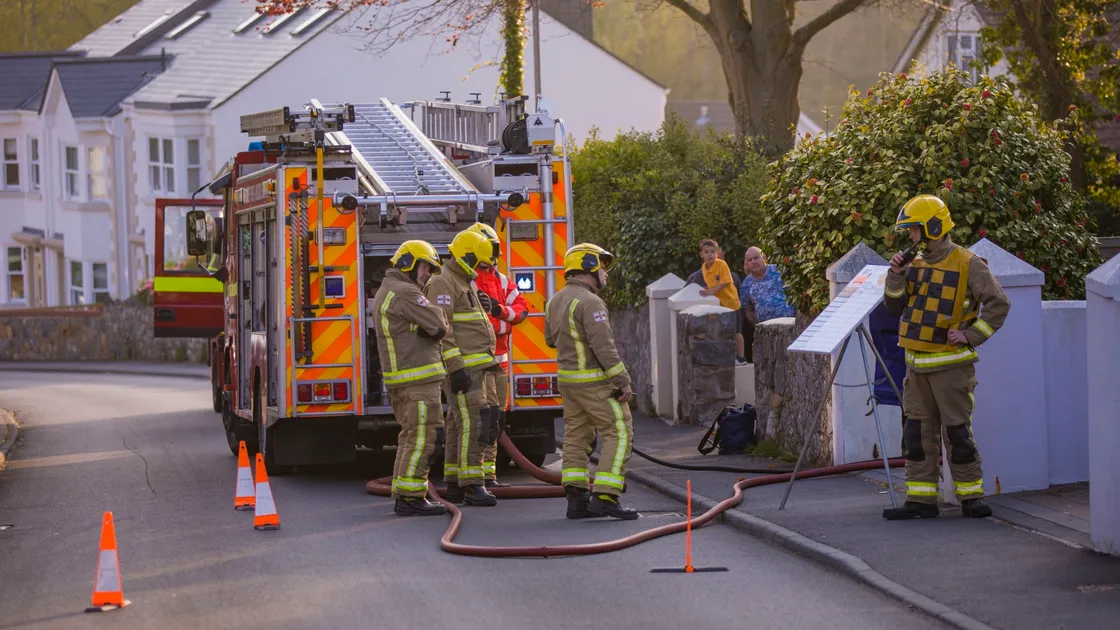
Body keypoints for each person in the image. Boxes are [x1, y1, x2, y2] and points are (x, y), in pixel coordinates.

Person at [882, 194, 1010, 520]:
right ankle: (921, 501)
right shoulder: (912, 264)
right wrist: (895, 274)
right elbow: (894, 307)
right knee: (916, 436)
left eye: (915, 230)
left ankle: (971, 499)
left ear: (934, 227)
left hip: (952, 368)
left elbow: (998, 304)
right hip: (916, 368)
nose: (912, 237)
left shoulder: (968, 263)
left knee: (957, 434)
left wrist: (971, 335)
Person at [545, 243, 638, 520]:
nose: (605, 274)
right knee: (619, 432)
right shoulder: (591, 302)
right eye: (602, 267)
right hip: (594, 383)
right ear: (588, 266)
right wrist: (623, 381)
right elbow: (604, 347)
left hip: (568, 382)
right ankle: (606, 496)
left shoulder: (555, 301)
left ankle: (577, 500)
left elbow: (550, 340)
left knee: (576, 436)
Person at [371, 240, 450, 516]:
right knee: (425, 437)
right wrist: (435, 318)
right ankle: (411, 497)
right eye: (425, 268)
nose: (427, 275)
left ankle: (407, 493)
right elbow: (439, 325)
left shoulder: (388, 289)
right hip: (418, 382)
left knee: (411, 437)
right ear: (409, 263)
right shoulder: (405, 292)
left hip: (405, 380)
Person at [425, 229, 500, 507]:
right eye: (480, 264)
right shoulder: (443, 283)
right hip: (464, 368)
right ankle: (473, 484)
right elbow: (442, 330)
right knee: (475, 422)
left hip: (475, 367)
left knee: (459, 425)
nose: (483, 270)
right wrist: (456, 368)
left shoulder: (464, 282)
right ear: (467, 258)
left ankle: (456, 483)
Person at [465, 222, 530, 487]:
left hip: (499, 365)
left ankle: (488, 474)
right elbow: (477, 325)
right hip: (475, 366)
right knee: (479, 421)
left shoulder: (502, 280)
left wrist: (500, 312)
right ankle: (472, 475)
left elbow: (522, 310)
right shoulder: (466, 281)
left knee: (495, 422)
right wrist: (504, 322)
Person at [696, 239, 745, 364]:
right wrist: (708, 289)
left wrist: (712, 291)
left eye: (713, 251)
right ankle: (729, 357)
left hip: (732, 304)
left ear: (717, 253)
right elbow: (712, 283)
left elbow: (726, 281)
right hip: (720, 306)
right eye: (706, 252)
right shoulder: (704, 268)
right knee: (724, 331)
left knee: (736, 331)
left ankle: (741, 357)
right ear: (701, 254)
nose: (710, 254)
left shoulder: (722, 264)